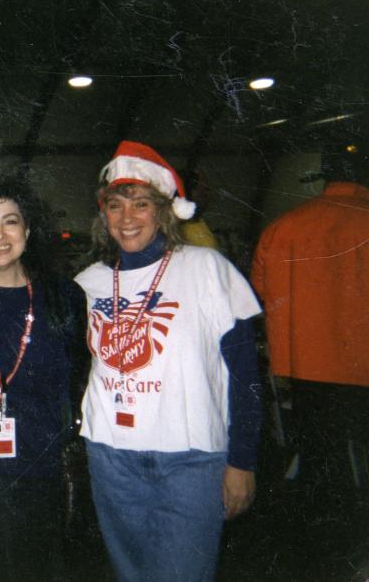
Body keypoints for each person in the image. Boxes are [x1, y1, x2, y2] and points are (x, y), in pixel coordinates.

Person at [75, 140, 262, 582]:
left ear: (163, 210)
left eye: (141, 204)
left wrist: (243, 462)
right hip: (110, 456)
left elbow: (246, 377)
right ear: (103, 214)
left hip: (190, 460)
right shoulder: (88, 282)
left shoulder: (208, 268)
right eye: (116, 205)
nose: (127, 218)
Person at [0, 176, 86, 581]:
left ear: (28, 231)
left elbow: (79, 374)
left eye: (10, 221)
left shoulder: (64, 296)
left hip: (47, 471)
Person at [251, 138, 369, 563]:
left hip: (307, 371)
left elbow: (262, 294)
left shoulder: (282, 228)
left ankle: (325, 553)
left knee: (323, 461)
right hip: (363, 369)